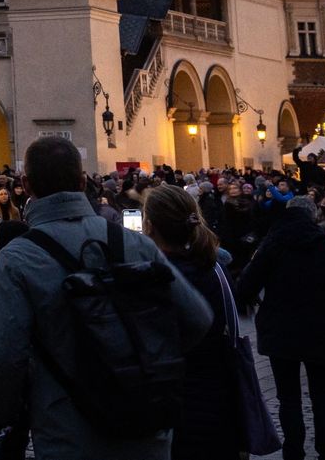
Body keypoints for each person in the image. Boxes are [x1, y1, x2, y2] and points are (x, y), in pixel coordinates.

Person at [0, 137, 212, 460]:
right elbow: (198, 318)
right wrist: (151, 360)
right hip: (144, 422)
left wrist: (8, 411)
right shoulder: (134, 243)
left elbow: (4, 355)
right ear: (82, 181)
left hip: (68, 428)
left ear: (26, 185)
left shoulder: (18, 258)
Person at [234, 196, 325, 460]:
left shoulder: (272, 248)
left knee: (288, 398)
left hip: (280, 333)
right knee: (322, 398)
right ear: (313, 216)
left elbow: (244, 286)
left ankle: (293, 451)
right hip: (322, 332)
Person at [142, 184, 244, 460]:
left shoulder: (156, 279)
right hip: (219, 400)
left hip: (173, 403)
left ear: (149, 226)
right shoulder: (215, 269)